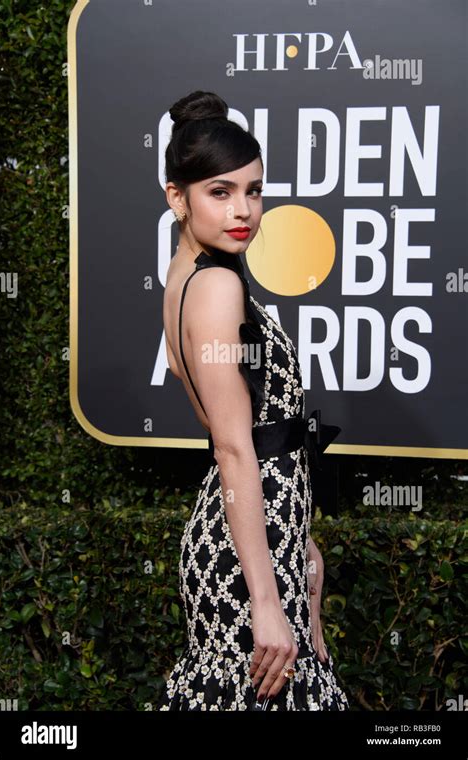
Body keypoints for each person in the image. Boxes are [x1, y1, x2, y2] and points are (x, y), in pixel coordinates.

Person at [157, 90, 349, 711]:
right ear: (177, 197)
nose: (244, 211)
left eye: (254, 190)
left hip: (260, 531)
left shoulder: (187, 275)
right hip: (247, 557)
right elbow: (233, 445)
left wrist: (300, 541)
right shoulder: (215, 288)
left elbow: (245, 435)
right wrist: (267, 601)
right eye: (220, 192)